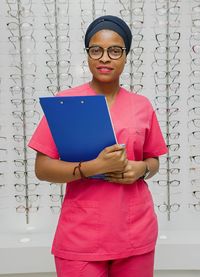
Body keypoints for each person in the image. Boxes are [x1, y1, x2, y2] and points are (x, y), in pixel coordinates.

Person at [28, 15, 168, 277]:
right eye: (97, 50)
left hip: (135, 232)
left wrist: (141, 169)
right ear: (88, 54)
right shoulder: (65, 103)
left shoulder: (142, 106)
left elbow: (153, 161)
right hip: (81, 236)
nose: (105, 58)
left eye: (115, 50)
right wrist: (94, 167)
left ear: (125, 56)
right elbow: (42, 168)